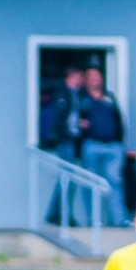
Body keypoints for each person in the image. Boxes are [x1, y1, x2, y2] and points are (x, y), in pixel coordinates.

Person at [78, 66, 128, 227]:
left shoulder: (109, 97)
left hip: (113, 147)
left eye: (97, 76)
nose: (95, 79)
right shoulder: (81, 99)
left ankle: (119, 220)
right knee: (91, 184)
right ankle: (94, 222)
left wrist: (120, 143)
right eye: (91, 76)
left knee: (115, 183)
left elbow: (119, 121)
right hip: (91, 145)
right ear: (85, 80)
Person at [44, 66, 88, 226]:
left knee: (67, 179)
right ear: (72, 76)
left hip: (72, 142)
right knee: (67, 178)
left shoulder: (76, 94)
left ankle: (58, 214)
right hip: (65, 141)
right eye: (80, 77)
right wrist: (67, 135)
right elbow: (60, 119)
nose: (82, 81)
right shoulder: (63, 93)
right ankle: (59, 215)